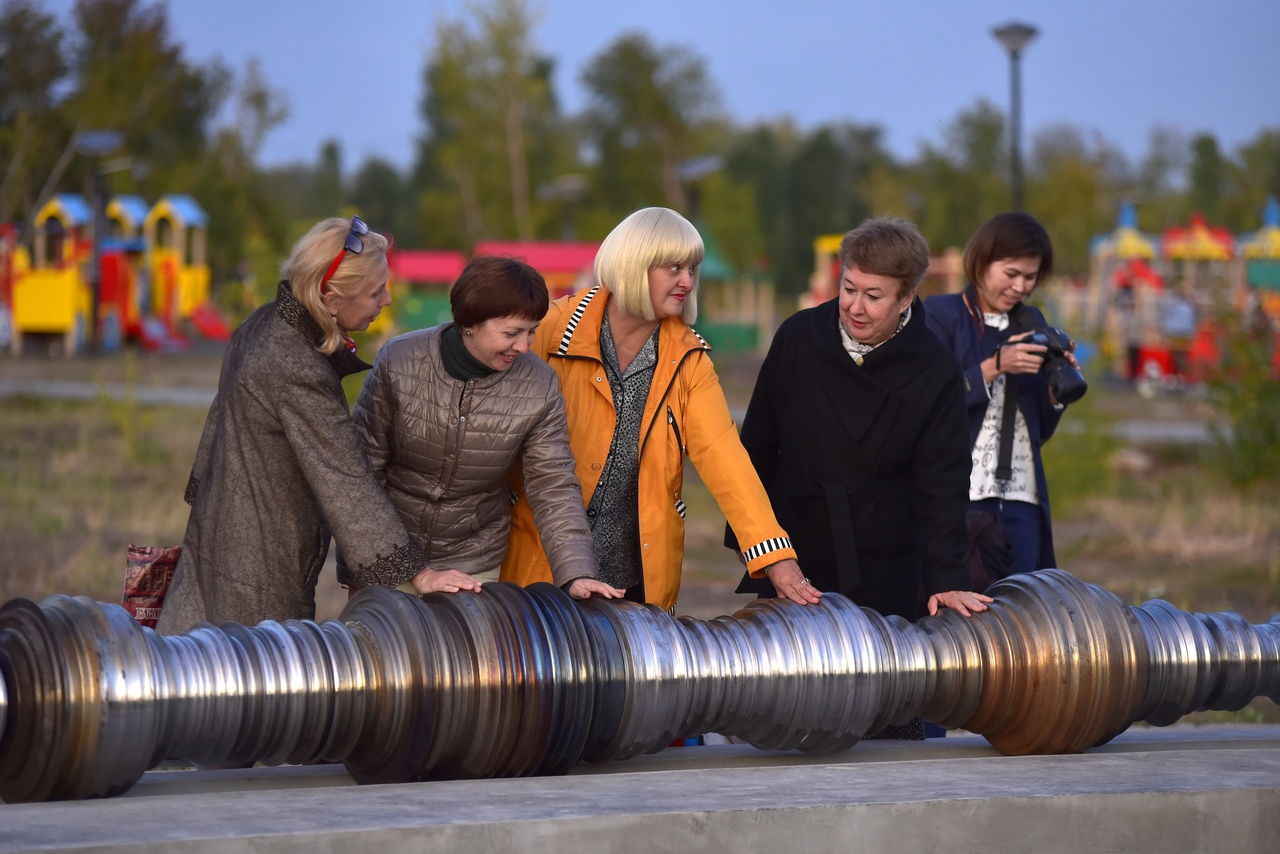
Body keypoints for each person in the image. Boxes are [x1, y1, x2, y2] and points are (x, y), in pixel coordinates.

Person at [500, 207, 804, 612]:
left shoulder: (689, 359)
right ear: (634, 264)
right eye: (674, 267)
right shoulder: (551, 329)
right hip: (541, 573)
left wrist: (775, 556)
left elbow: (725, 458)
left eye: (691, 268)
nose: (687, 281)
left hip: (634, 585)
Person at [157, 216, 434, 636]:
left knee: (199, 666)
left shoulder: (262, 325)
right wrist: (418, 574)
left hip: (218, 534)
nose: (388, 300)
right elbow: (346, 479)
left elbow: (217, 425)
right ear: (332, 298)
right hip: (259, 567)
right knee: (256, 682)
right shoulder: (297, 366)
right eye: (376, 291)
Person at [730, 216, 990, 623]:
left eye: (873, 296)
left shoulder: (935, 368)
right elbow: (757, 448)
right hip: (794, 552)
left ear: (906, 298)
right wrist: (761, 547)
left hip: (884, 560)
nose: (854, 306)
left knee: (877, 679)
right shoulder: (798, 337)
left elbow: (942, 480)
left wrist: (947, 576)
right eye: (848, 289)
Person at [345, 256, 621, 600]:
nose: (523, 346)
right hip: (389, 556)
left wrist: (576, 573)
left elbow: (552, 483)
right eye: (511, 333)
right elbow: (360, 473)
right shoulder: (398, 361)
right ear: (469, 323)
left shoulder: (539, 385)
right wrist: (360, 567)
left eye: (531, 331)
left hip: (473, 567)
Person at [925, 211, 1078, 576]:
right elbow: (928, 403)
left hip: (1022, 496)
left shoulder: (1031, 321)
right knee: (956, 614)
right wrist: (996, 365)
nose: (1021, 287)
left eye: (1030, 277)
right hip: (960, 496)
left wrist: (1056, 395)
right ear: (981, 262)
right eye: (1011, 274)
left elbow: (1036, 431)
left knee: (1020, 612)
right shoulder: (941, 315)